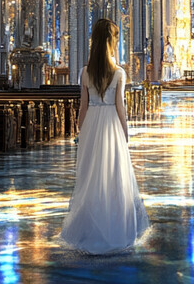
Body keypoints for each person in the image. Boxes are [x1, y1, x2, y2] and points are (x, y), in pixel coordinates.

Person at [60, 19, 150, 254]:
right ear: (111, 42)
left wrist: (82, 132)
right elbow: (120, 107)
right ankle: (114, 226)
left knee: (91, 174)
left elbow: (83, 107)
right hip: (111, 124)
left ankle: (90, 225)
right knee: (113, 175)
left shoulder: (85, 72)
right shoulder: (119, 73)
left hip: (92, 124)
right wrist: (125, 133)